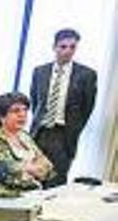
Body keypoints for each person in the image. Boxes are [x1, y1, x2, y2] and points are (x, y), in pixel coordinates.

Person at [29, 28, 97, 187]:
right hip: (40, 133)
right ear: (54, 47)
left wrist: (74, 129)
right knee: (32, 180)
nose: (68, 51)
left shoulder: (87, 74)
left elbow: (87, 108)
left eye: (72, 47)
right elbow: (35, 100)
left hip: (63, 136)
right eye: (63, 46)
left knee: (56, 183)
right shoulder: (40, 71)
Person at [0, 92, 55, 189]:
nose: (22, 115)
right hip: (11, 195)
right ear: (2, 117)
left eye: (25, 110)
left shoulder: (25, 136)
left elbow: (48, 167)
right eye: (15, 111)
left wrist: (29, 169)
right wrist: (32, 169)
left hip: (35, 191)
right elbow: (8, 172)